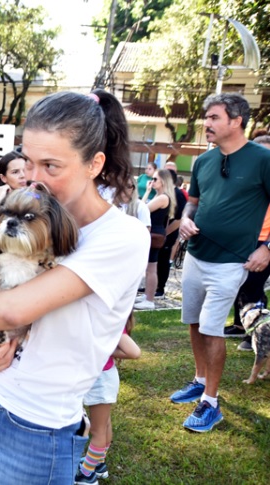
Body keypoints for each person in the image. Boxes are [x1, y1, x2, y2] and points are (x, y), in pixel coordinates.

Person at [0, 90, 149, 483]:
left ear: (94, 164)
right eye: (29, 161)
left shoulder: (121, 237)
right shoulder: (25, 219)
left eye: (51, 165)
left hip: (34, 426)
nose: (35, 178)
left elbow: (14, 310)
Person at [173, 93, 270, 432]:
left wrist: (267, 247)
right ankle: (200, 380)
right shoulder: (203, 161)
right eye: (207, 117)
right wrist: (186, 218)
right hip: (196, 255)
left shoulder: (263, 159)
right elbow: (193, 201)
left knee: (211, 328)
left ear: (236, 121)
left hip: (232, 262)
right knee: (194, 322)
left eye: (214, 117)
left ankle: (210, 403)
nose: (207, 123)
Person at [74, 317, 141, 484]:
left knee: (98, 431)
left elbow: (134, 352)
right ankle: (98, 463)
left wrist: (101, 349)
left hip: (100, 381)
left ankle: (87, 475)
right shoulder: (104, 317)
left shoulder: (110, 320)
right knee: (104, 425)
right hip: (99, 378)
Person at [227, 134, 270, 350]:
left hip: (264, 242)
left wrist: (267, 246)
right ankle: (240, 325)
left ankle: (256, 334)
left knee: (253, 286)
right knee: (240, 284)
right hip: (243, 240)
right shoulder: (248, 179)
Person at [134, 168, 175, 310]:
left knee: (151, 267)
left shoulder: (163, 198)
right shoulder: (159, 196)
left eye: (155, 179)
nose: (152, 181)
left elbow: (142, 209)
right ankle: (147, 295)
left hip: (155, 234)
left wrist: (146, 193)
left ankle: (149, 299)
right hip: (154, 233)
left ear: (163, 181)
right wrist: (147, 191)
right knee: (149, 267)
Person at [155, 162, 187, 299]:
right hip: (163, 232)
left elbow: (179, 218)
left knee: (163, 260)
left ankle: (160, 288)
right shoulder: (165, 193)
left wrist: (165, 233)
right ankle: (155, 285)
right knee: (157, 260)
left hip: (168, 233)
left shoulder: (177, 194)